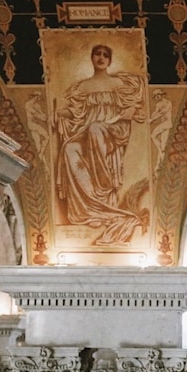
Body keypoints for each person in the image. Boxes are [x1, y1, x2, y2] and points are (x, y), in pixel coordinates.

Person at [53, 44, 149, 246]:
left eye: (106, 55)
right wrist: (60, 114)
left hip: (113, 131)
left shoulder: (118, 84)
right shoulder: (83, 87)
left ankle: (103, 184)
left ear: (110, 60)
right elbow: (78, 114)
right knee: (70, 149)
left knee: (96, 128)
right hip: (86, 133)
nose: (101, 57)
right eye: (98, 54)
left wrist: (130, 109)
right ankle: (89, 209)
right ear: (92, 58)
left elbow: (136, 103)